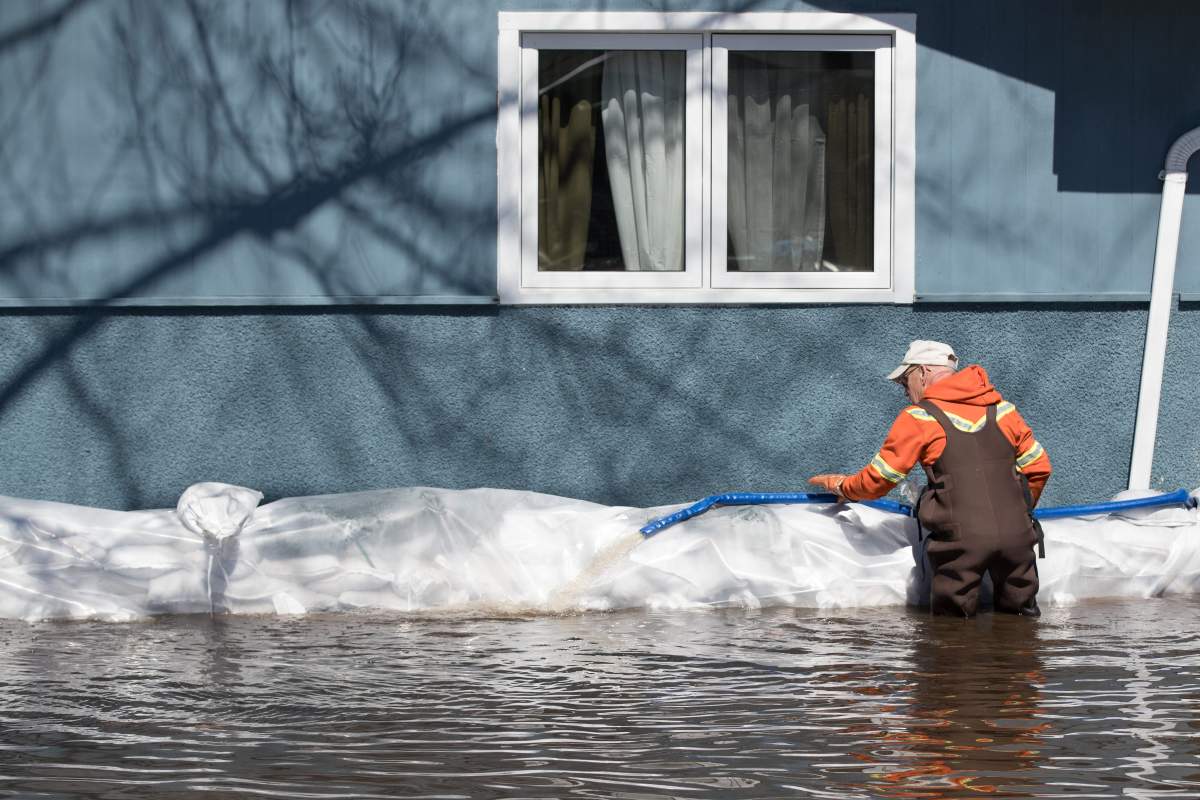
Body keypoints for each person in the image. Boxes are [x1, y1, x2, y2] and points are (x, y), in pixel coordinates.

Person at [809, 340, 1051, 617]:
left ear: (923, 372)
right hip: (1018, 538)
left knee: (952, 634)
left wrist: (843, 486)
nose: (905, 391)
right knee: (1021, 623)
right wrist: (1019, 512)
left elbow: (880, 479)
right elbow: (1039, 468)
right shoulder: (1004, 411)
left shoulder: (920, 418)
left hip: (960, 542)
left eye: (904, 381)